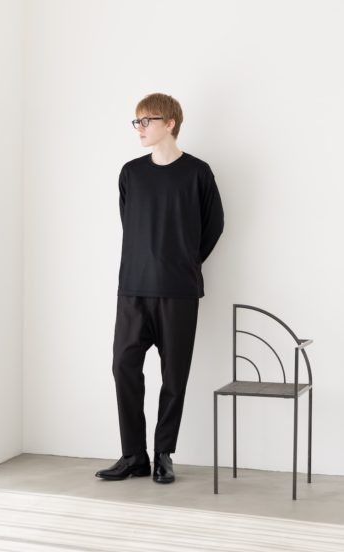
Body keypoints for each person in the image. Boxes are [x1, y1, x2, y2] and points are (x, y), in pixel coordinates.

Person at [95, 93, 224, 484]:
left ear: (170, 123)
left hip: (178, 291)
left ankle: (163, 454)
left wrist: (185, 261)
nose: (139, 128)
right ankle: (134, 455)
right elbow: (129, 223)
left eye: (146, 120)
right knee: (123, 366)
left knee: (174, 375)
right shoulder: (131, 173)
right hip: (133, 288)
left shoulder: (198, 173)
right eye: (136, 121)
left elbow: (214, 225)